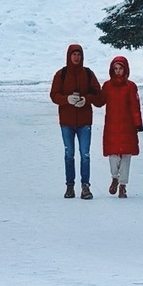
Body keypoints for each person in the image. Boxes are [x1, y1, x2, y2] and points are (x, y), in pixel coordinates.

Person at [50, 43, 104, 199]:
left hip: (84, 122)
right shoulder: (61, 74)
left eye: (78, 54)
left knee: (85, 154)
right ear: (69, 56)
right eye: (73, 54)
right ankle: (70, 186)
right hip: (66, 121)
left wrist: (86, 100)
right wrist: (66, 99)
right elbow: (54, 95)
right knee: (69, 154)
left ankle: (85, 186)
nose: (76, 57)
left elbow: (99, 96)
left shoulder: (88, 74)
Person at [101, 55, 143, 198]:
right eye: (115, 69)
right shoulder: (107, 86)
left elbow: (135, 106)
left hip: (127, 126)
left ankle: (123, 185)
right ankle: (114, 177)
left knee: (126, 156)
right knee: (113, 154)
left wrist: (138, 123)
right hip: (112, 125)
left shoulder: (130, 86)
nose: (118, 71)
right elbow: (100, 100)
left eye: (120, 69)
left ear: (125, 70)